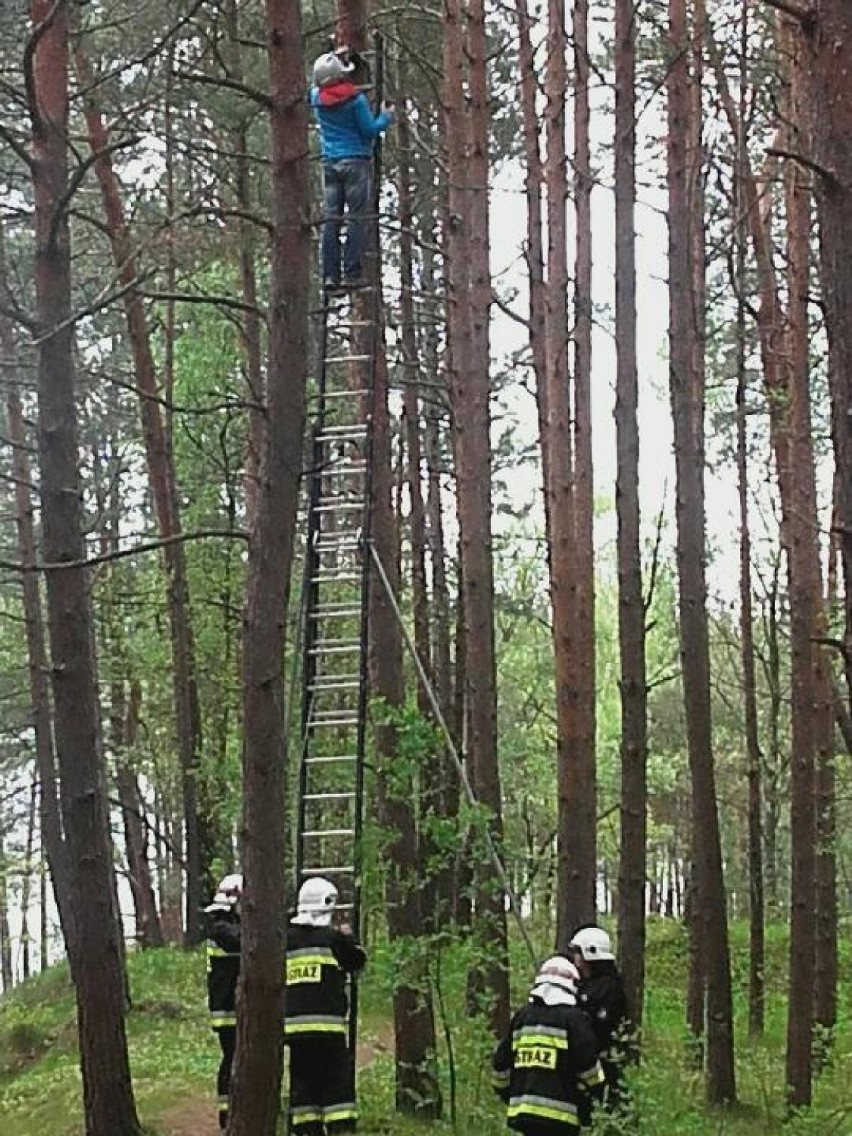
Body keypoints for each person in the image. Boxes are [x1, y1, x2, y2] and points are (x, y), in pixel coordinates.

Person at [285, 876, 367, 1135]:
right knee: (337, 1085)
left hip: (295, 1033)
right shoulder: (332, 938)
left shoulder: (285, 939)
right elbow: (357, 961)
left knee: (303, 1086)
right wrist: (349, 937)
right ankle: (340, 1129)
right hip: (328, 1030)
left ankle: (306, 1130)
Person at [309, 48, 395, 292]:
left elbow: (319, 85)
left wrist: (334, 57)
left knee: (332, 219)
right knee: (356, 218)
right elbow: (370, 131)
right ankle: (352, 273)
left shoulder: (316, 97)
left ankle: (329, 276)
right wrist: (386, 117)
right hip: (356, 162)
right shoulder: (355, 101)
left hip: (330, 165)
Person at [491, 955, 605, 1134]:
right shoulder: (574, 1019)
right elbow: (590, 1070)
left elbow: (499, 1069)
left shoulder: (522, 1017)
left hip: (523, 1115)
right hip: (562, 1119)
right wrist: (594, 1099)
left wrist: (511, 1095)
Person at [567, 926, 632, 1113]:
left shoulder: (609, 988)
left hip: (603, 1063)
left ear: (590, 953)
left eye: (578, 952)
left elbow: (600, 1027)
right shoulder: (581, 984)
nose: (575, 958)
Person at [205, 873, 243, 1131]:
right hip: (228, 1008)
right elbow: (242, 941)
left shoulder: (227, 923)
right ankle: (226, 1113)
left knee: (234, 1058)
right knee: (232, 1058)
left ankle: (231, 1110)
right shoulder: (221, 927)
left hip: (232, 1006)